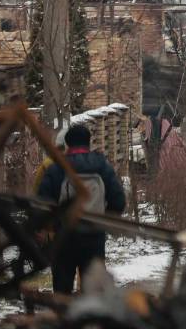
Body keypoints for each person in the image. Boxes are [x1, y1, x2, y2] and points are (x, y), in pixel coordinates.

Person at [37, 125, 127, 294]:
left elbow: (43, 203)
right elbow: (119, 201)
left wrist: (53, 225)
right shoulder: (101, 166)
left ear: (67, 143)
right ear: (89, 142)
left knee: (62, 292)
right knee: (92, 293)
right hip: (94, 238)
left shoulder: (56, 168)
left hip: (64, 238)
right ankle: (89, 319)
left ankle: (62, 318)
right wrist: (103, 220)